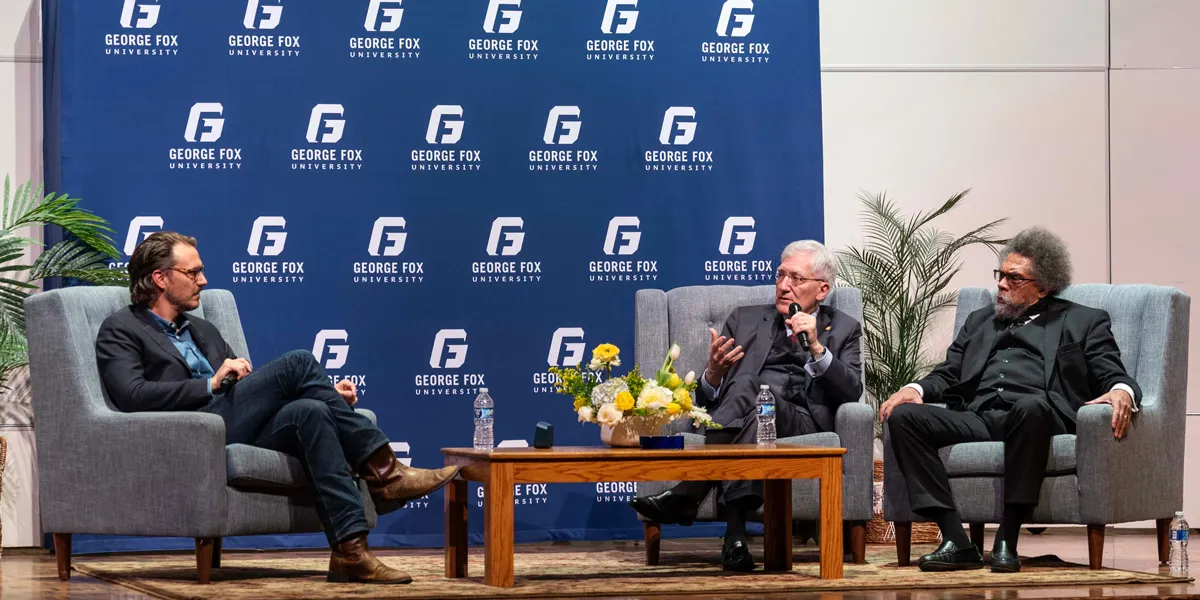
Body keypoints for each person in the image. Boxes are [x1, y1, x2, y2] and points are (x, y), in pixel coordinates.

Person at [95, 231, 459, 585]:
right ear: (160, 278)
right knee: (299, 362)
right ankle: (387, 474)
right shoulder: (122, 329)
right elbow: (132, 395)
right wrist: (209, 384)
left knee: (313, 412)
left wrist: (329, 397)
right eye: (193, 273)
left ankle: (351, 553)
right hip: (194, 431)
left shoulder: (203, 329)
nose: (202, 281)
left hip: (235, 421)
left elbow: (248, 390)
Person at [879, 227, 1140, 573]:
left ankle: (1008, 537)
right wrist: (917, 389)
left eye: (1013, 278)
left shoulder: (1083, 321)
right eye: (1000, 275)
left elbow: (1113, 373)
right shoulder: (980, 320)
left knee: (1030, 407)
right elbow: (950, 372)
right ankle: (956, 539)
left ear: (1043, 287)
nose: (1001, 284)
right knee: (903, 417)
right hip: (980, 416)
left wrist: (1122, 390)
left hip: (1037, 418)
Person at [630, 240, 863, 571]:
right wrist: (713, 373)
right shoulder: (744, 319)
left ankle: (689, 492)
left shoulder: (843, 327)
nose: (783, 285)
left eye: (796, 278)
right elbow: (707, 397)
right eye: (780, 275)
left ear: (822, 289)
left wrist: (816, 347)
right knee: (754, 402)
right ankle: (735, 539)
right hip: (750, 417)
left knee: (752, 388)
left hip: (801, 421)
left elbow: (852, 391)